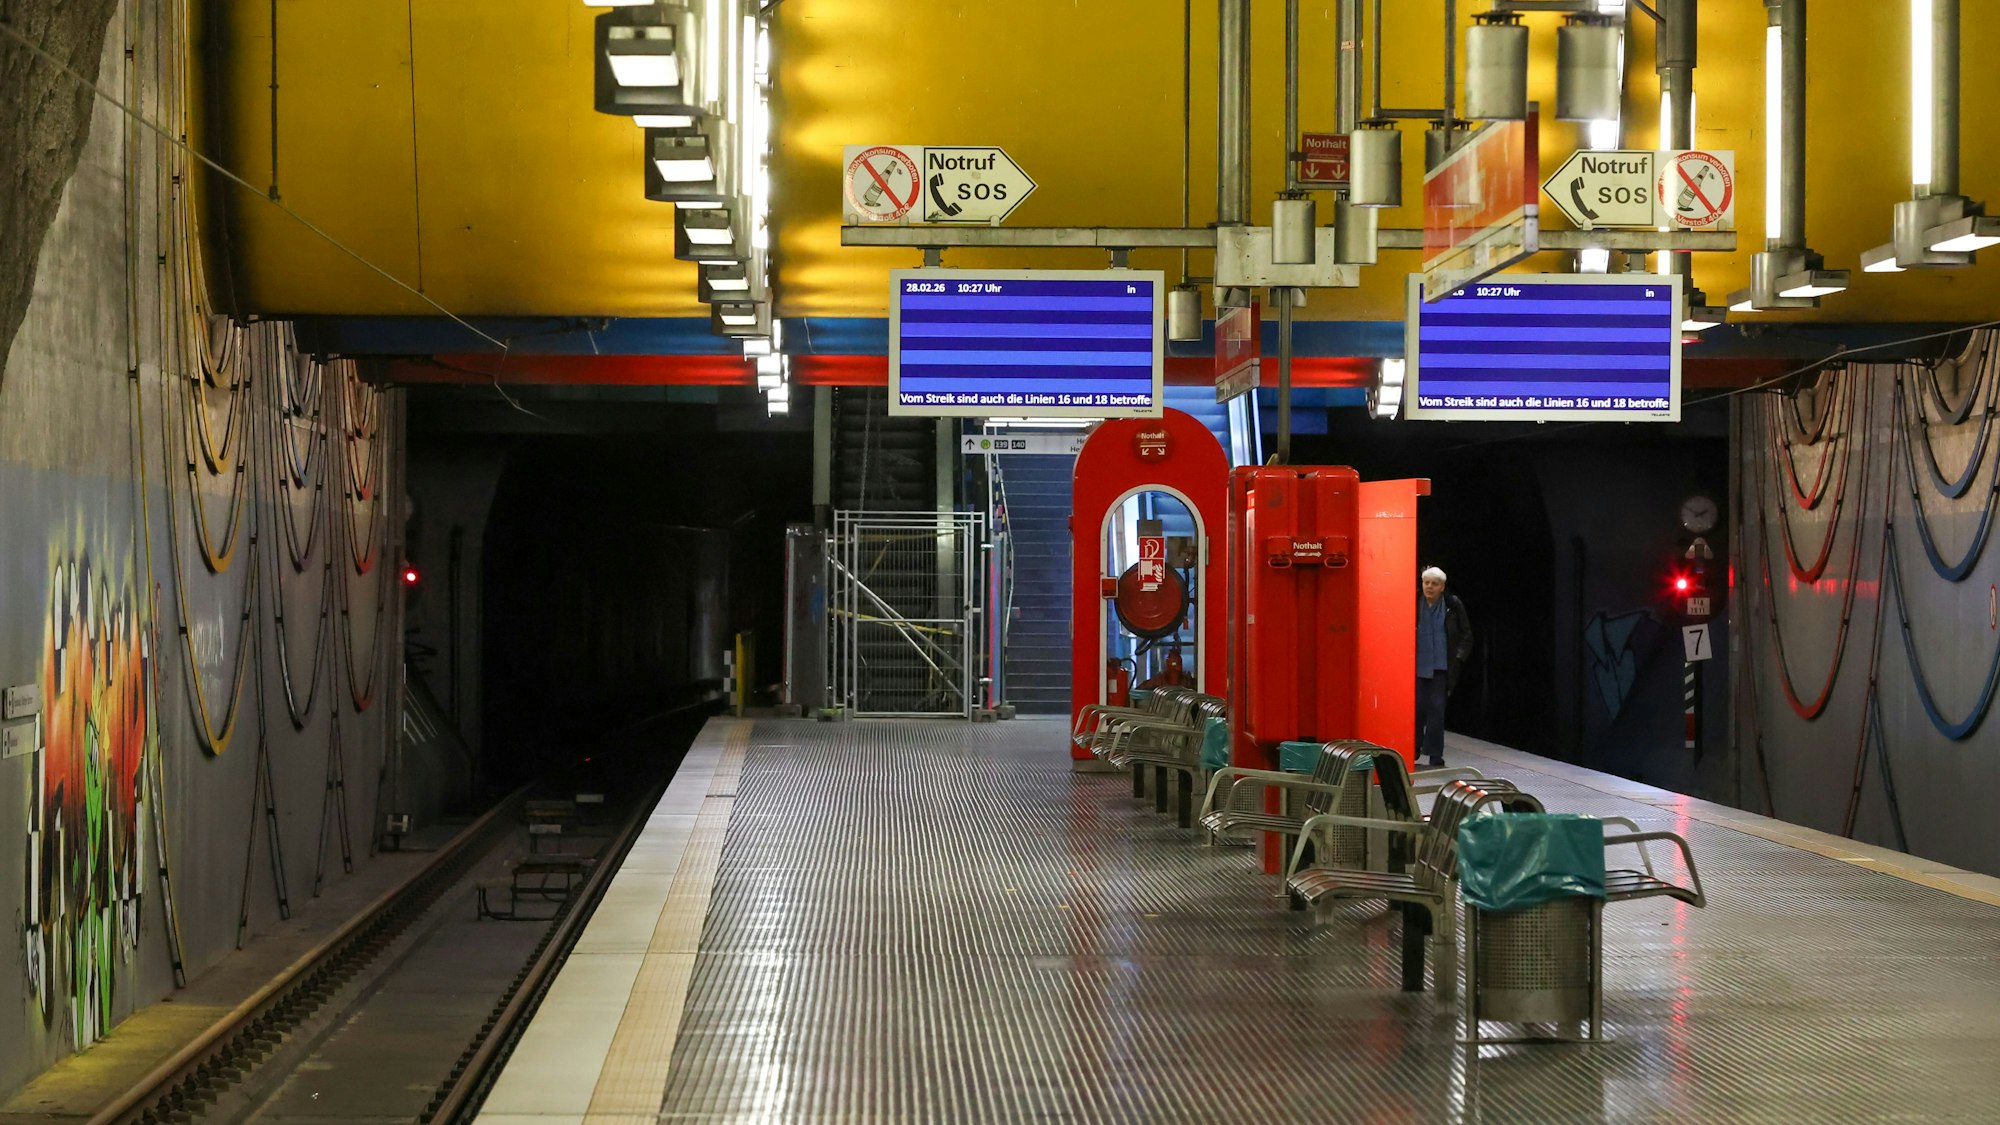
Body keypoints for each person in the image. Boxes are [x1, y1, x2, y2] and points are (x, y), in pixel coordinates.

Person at [1415, 566, 1473, 769]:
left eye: (1434, 584)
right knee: (1417, 708)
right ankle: (1413, 747)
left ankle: (1434, 754)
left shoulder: (1452, 604)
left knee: (1437, 711)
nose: (1429, 587)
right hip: (1416, 666)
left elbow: (1466, 635)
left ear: (1442, 587)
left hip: (1442, 667)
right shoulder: (1413, 602)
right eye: (1426, 582)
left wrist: (1457, 659)